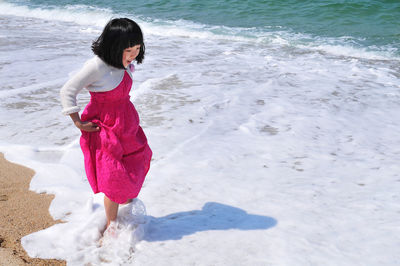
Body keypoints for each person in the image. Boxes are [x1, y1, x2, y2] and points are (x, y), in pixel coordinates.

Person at [60, 18, 152, 231]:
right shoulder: (97, 66)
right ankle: (112, 226)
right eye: (128, 50)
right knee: (113, 177)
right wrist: (78, 122)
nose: (133, 55)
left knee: (136, 162)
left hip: (127, 123)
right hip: (104, 127)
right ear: (113, 46)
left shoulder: (128, 64)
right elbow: (67, 91)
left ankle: (127, 209)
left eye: (137, 48)